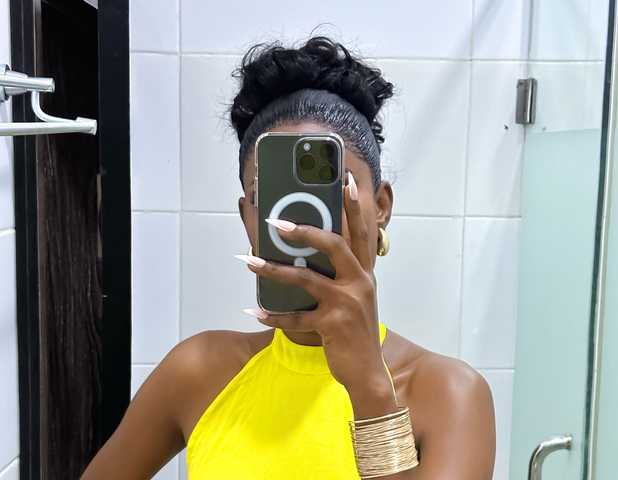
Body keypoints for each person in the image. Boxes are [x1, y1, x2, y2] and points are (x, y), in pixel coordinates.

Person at [81, 35, 495, 479]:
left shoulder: (448, 394)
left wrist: (369, 385)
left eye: (333, 189)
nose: (303, 220)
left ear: (381, 208)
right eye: (272, 196)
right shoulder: (199, 371)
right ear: (248, 219)